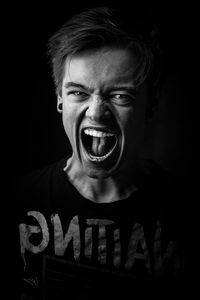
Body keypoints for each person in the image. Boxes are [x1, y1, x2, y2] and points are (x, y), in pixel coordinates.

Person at [14, 6, 191, 300]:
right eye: (78, 93)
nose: (97, 113)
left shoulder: (186, 216)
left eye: (120, 95)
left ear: (151, 105)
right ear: (60, 99)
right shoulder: (17, 201)